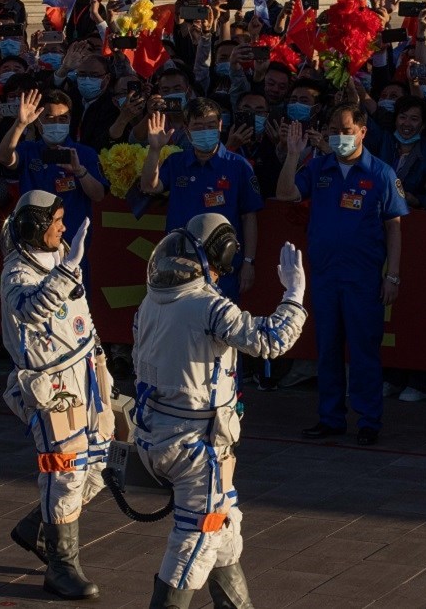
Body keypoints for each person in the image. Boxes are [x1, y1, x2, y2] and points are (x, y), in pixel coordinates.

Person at [134, 213, 308, 608]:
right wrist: (294, 295)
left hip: (156, 434)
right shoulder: (207, 307)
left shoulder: (151, 301)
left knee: (223, 524)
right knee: (194, 542)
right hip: (196, 448)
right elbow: (271, 339)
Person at [0, 191, 113, 601]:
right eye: (57, 221)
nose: (63, 228)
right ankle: (62, 566)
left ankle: (38, 527)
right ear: (33, 226)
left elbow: (81, 315)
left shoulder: (62, 255)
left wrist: (101, 362)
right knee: (65, 471)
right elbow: (32, 310)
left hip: (85, 375)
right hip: (53, 389)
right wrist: (67, 269)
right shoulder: (17, 274)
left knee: (97, 465)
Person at [275, 104, 408, 446]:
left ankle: (368, 419)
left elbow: (394, 226)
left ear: (363, 131)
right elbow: (286, 193)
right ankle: (331, 417)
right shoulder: (319, 167)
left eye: (346, 131)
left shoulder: (380, 173)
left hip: (363, 277)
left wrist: (392, 275)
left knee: (364, 350)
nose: (339, 137)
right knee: (328, 348)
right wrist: (293, 155)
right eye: (334, 130)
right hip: (325, 275)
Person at [140, 99, 263, 301]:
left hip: (222, 266)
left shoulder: (238, 166)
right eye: (198, 126)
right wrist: (154, 150)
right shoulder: (176, 162)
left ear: (220, 126)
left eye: (211, 125)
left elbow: (249, 216)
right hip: (178, 263)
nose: (205, 131)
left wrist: (249, 262)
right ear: (187, 130)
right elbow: (149, 186)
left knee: (220, 327)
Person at [0, 88, 107, 249]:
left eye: (63, 118)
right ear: (37, 120)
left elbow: (98, 195)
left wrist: (80, 171)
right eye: (49, 118)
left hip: (71, 245)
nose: (57, 123)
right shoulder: (28, 150)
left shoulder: (85, 154)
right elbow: (3, 157)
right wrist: (20, 125)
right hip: (31, 243)